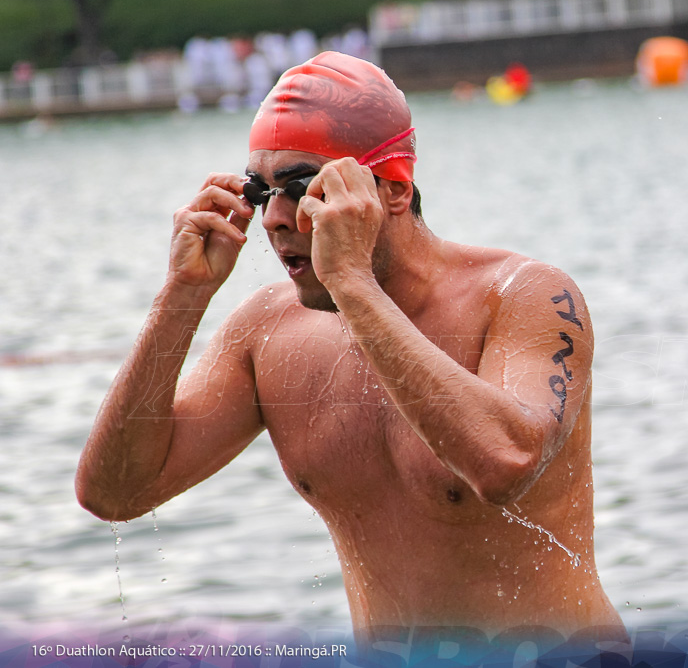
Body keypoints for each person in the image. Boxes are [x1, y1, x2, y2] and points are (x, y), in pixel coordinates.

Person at [76, 52, 625, 645]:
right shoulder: (267, 334)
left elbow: (505, 462)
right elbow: (114, 493)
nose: (275, 219)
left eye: (303, 187)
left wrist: (353, 283)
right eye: (263, 193)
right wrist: (182, 296)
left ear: (393, 189)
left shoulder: (524, 296)